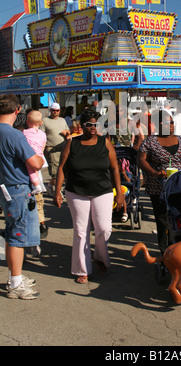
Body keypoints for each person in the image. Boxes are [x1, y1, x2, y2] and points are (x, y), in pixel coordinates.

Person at [54, 109, 124, 283]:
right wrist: (57, 191)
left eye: (95, 124)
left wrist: (120, 194)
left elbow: (115, 168)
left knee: (104, 228)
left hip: (103, 191)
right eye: (89, 125)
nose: (93, 127)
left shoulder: (105, 142)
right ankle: (82, 270)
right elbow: (62, 167)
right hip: (76, 191)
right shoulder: (72, 143)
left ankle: (101, 258)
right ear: (81, 126)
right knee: (81, 231)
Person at [0, 94, 44, 300]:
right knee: (18, 236)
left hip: (5, 186)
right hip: (17, 187)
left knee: (11, 233)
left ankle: (14, 276)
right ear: (17, 110)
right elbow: (34, 162)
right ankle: (16, 283)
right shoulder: (14, 135)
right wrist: (40, 156)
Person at [137, 109, 181, 254]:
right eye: (166, 122)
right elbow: (141, 160)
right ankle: (166, 251)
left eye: (171, 122)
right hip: (159, 187)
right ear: (157, 124)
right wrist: (154, 172)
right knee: (163, 221)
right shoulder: (150, 141)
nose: (170, 125)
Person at [40, 102, 70, 195]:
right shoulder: (45, 121)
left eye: (57, 110)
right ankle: (58, 191)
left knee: (63, 170)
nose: (55, 112)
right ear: (50, 110)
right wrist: (43, 149)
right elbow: (41, 135)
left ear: (59, 111)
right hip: (52, 149)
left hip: (63, 148)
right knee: (55, 172)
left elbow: (68, 130)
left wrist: (66, 133)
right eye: (53, 110)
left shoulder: (62, 120)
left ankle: (50, 185)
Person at [23, 110, 46, 195]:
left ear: (27, 122)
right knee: (36, 172)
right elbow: (43, 145)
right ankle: (39, 185)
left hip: (30, 156)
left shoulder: (24, 132)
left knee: (31, 171)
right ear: (41, 123)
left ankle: (37, 186)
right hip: (39, 156)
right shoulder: (43, 134)